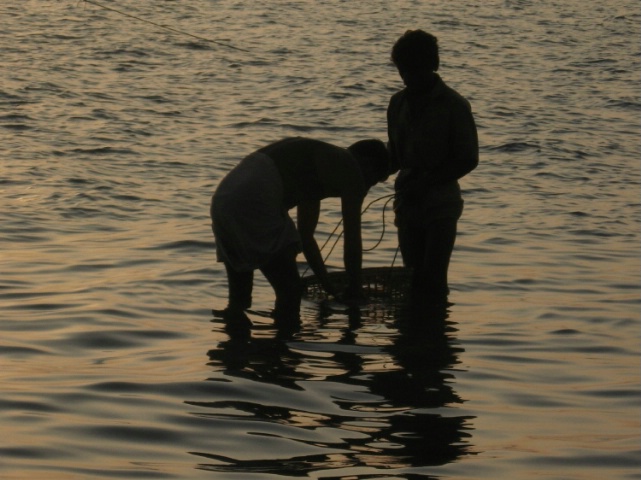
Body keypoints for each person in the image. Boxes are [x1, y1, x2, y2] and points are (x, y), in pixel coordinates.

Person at [211, 137, 390, 327]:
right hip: (257, 198)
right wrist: (355, 290)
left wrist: (327, 285)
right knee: (289, 291)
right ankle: (282, 348)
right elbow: (352, 238)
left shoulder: (323, 165)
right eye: (374, 181)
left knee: (240, 299)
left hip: (224, 199)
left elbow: (306, 237)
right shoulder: (350, 168)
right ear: (368, 165)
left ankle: (235, 350)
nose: (367, 188)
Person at [387, 30, 479, 305]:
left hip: (441, 203)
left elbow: (468, 158)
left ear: (433, 65)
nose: (407, 77)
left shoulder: (454, 105)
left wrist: (426, 182)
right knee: (411, 278)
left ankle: (434, 332)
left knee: (434, 279)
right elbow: (395, 153)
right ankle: (419, 339)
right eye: (403, 70)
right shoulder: (397, 103)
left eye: (413, 69)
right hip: (407, 202)